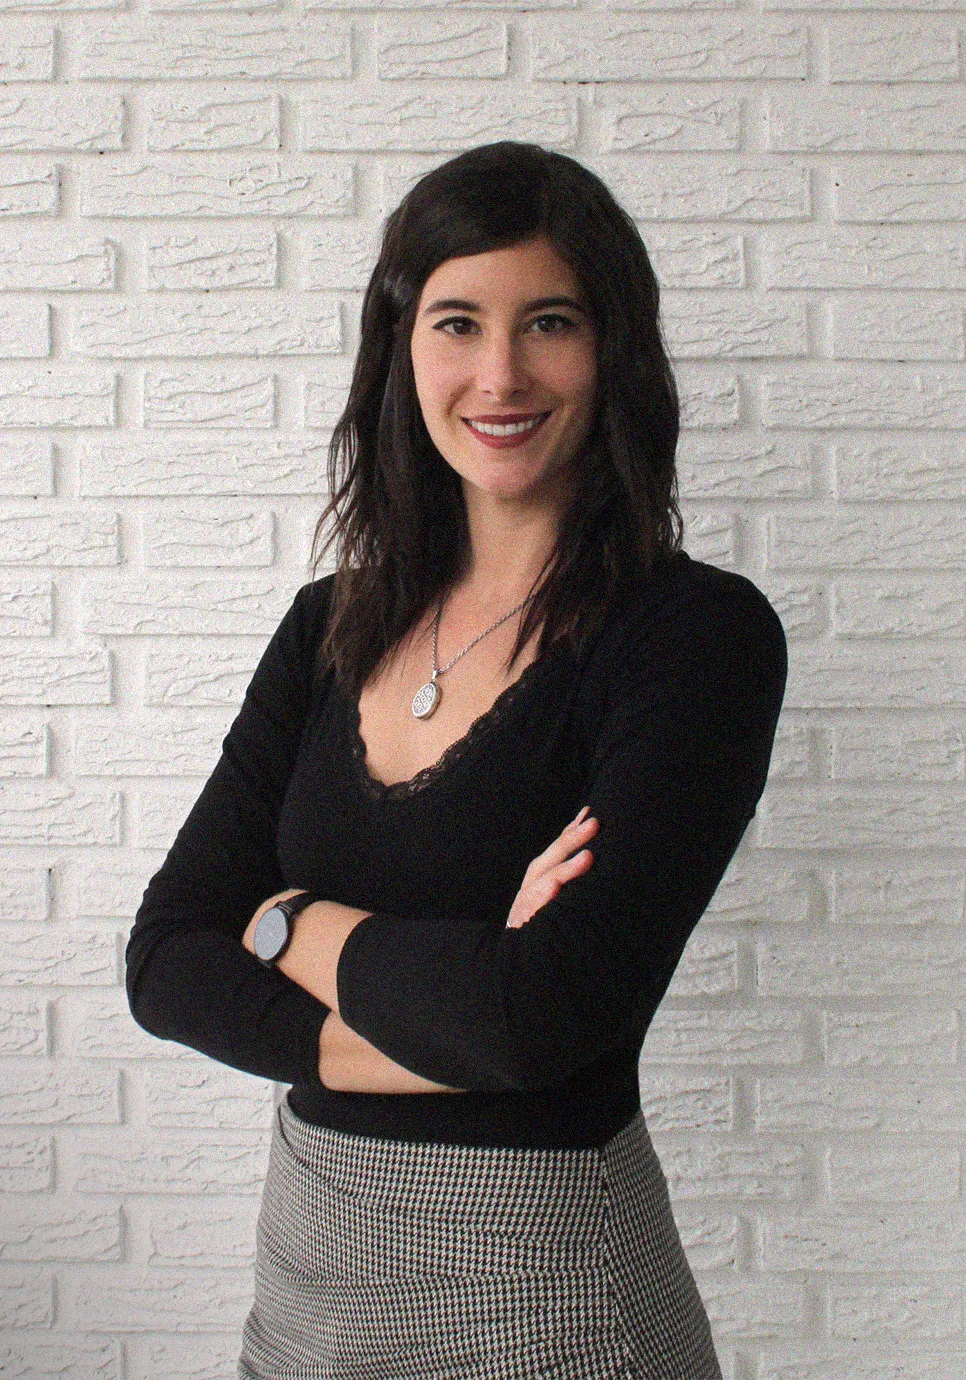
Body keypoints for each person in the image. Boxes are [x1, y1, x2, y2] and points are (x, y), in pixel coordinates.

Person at [126, 140, 787, 1380]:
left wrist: (284, 921)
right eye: (457, 322)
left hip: (550, 1297)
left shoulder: (694, 638)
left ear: (614, 349)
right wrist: (461, 1012)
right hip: (305, 1284)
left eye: (550, 322)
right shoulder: (328, 626)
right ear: (402, 348)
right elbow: (164, 961)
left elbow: (541, 1018)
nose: (500, 374)